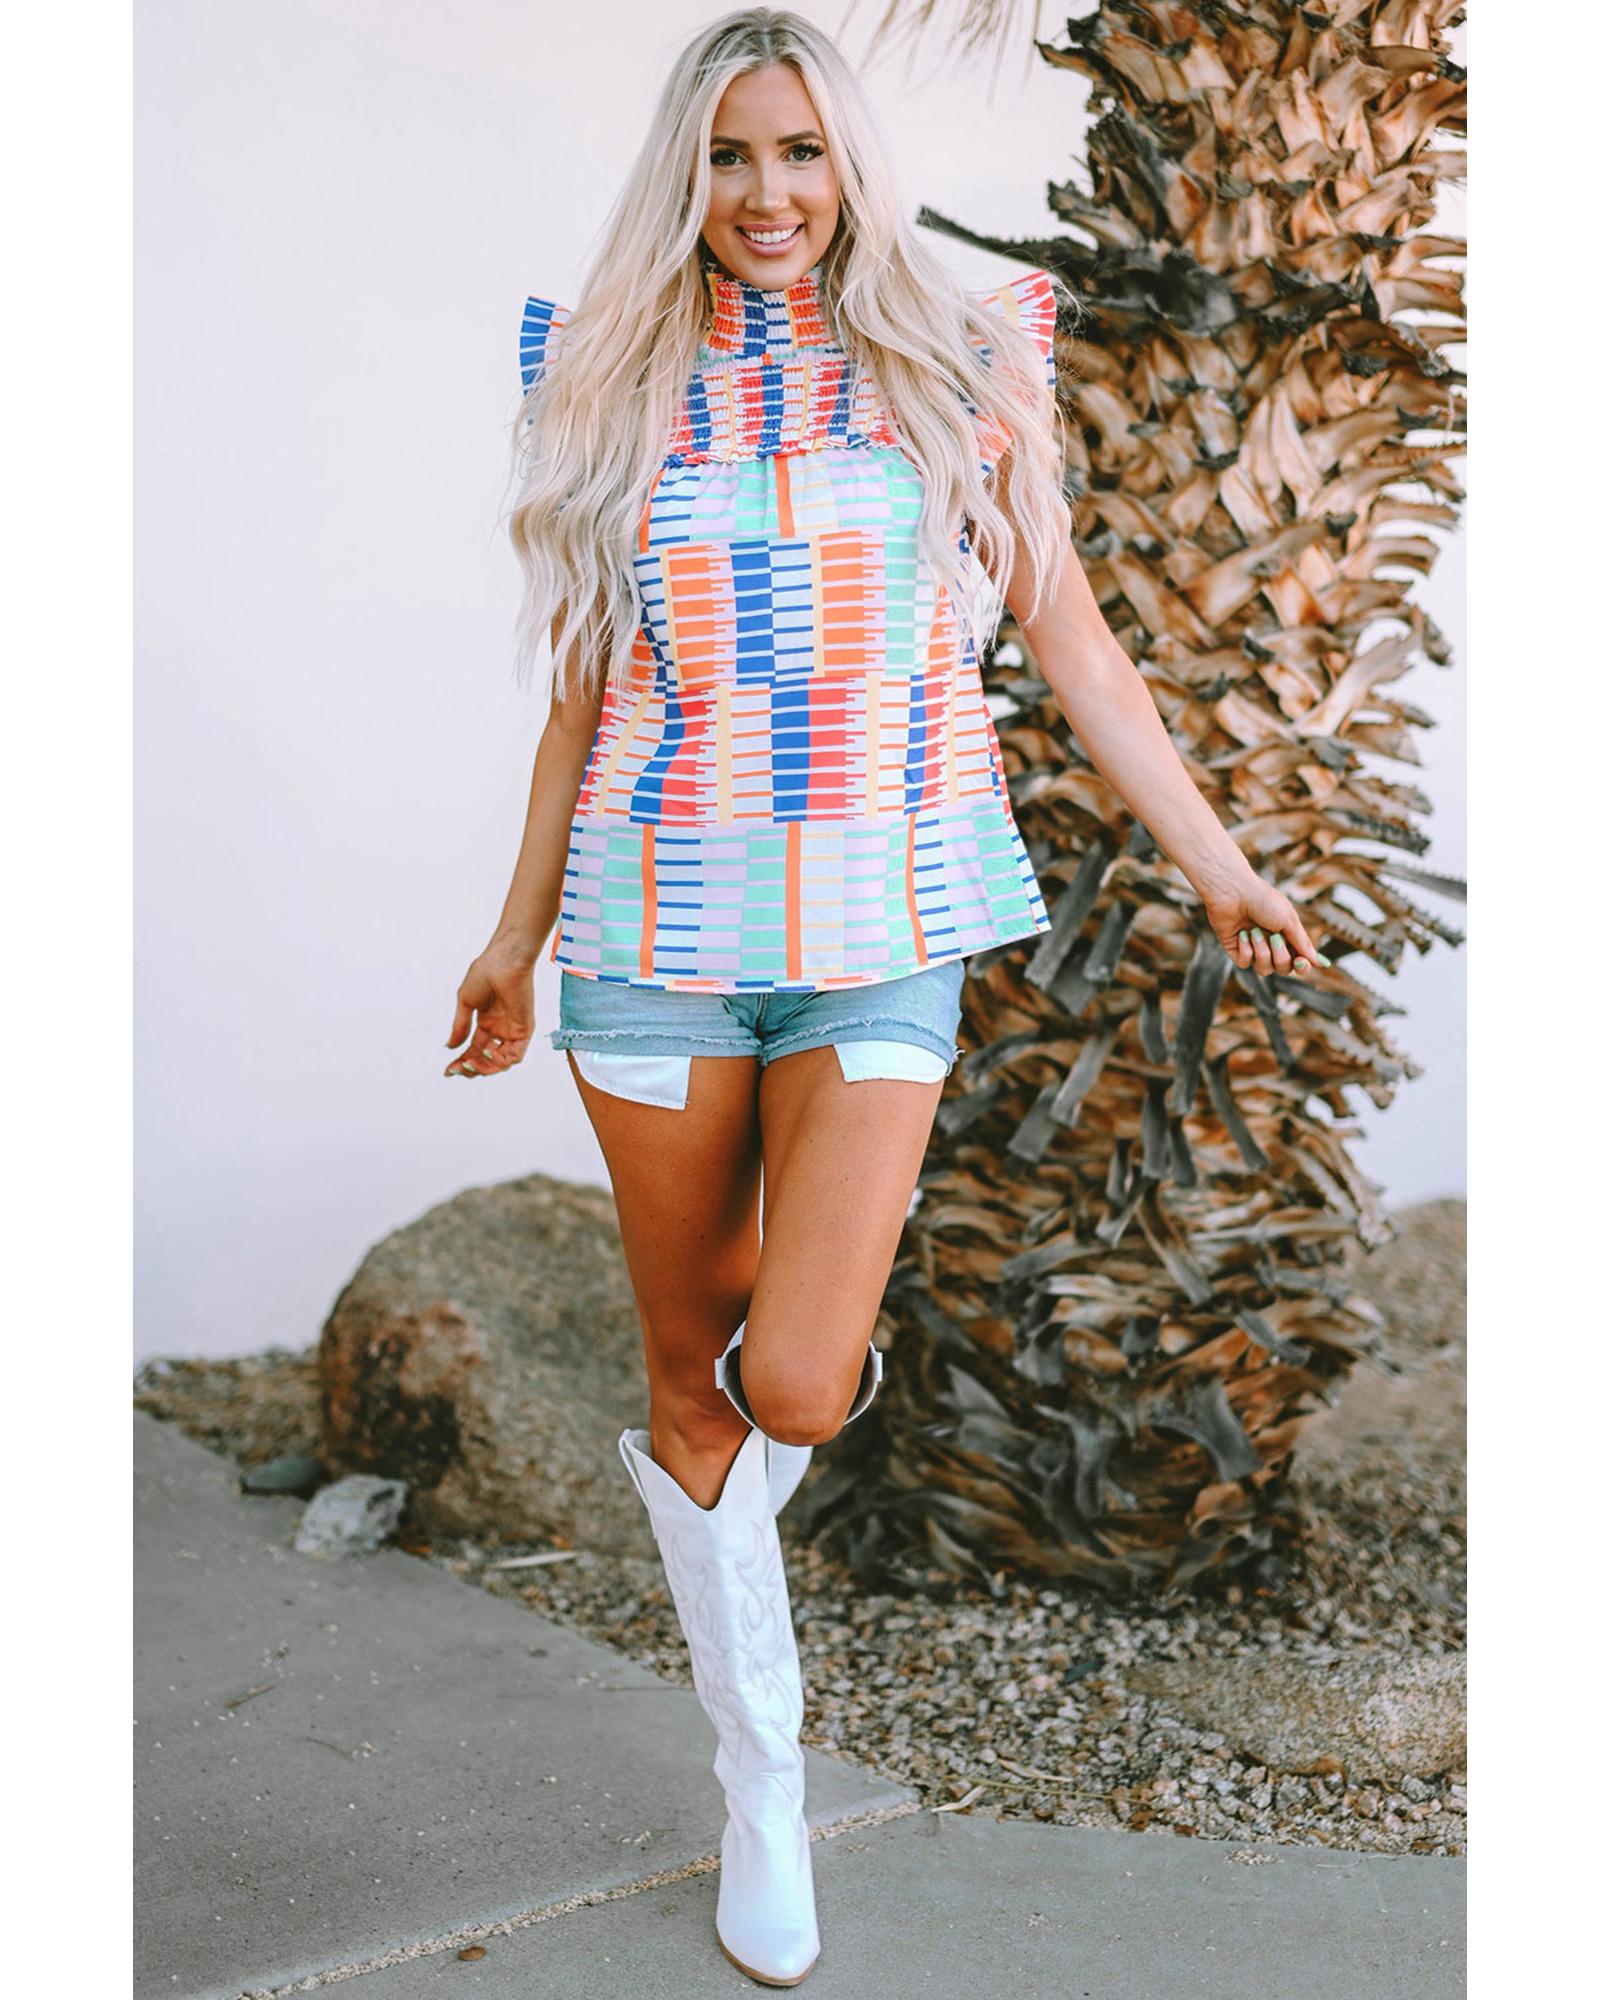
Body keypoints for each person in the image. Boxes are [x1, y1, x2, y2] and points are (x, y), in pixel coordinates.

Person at [444, 8, 1329, 1987]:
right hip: (653, 936)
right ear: (686, 172)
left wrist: (1218, 858)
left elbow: (1073, 641)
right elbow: (582, 691)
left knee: (795, 1381)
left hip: (882, 917)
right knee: (688, 1378)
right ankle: (761, 1788)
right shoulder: (599, 375)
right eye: (729, 156)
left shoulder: (966, 357)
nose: (766, 193)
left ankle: (779, 1430)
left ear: (849, 165)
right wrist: (513, 933)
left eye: (801, 153)